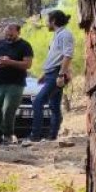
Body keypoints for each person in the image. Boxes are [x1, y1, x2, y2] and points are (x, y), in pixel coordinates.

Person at [29, 10, 74, 141]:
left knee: (38, 102)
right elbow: (56, 56)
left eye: (48, 20)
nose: (46, 23)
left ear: (53, 21)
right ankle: (52, 136)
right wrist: (45, 73)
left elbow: (68, 55)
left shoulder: (65, 34)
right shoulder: (57, 35)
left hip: (56, 74)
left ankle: (35, 135)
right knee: (54, 106)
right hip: (51, 73)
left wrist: (61, 75)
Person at [0, 23, 34, 144]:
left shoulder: (25, 46)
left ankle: (7, 135)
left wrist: (10, 62)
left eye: (11, 34)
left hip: (16, 83)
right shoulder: (0, 44)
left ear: (18, 32)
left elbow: (27, 64)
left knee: (8, 109)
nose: (8, 36)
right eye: (6, 34)